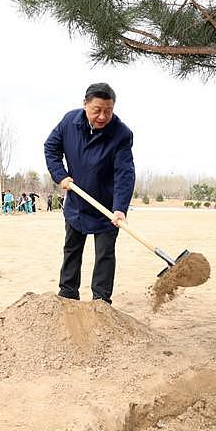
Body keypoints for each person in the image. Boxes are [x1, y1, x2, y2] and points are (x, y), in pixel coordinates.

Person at [44, 82, 135, 304]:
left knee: (104, 254)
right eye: (97, 110)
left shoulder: (121, 134)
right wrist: (60, 175)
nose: (103, 116)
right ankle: (68, 294)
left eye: (108, 110)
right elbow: (51, 148)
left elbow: (125, 173)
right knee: (72, 250)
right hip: (77, 201)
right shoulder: (69, 122)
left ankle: (101, 301)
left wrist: (120, 208)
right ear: (85, 105)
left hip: (107, 208)